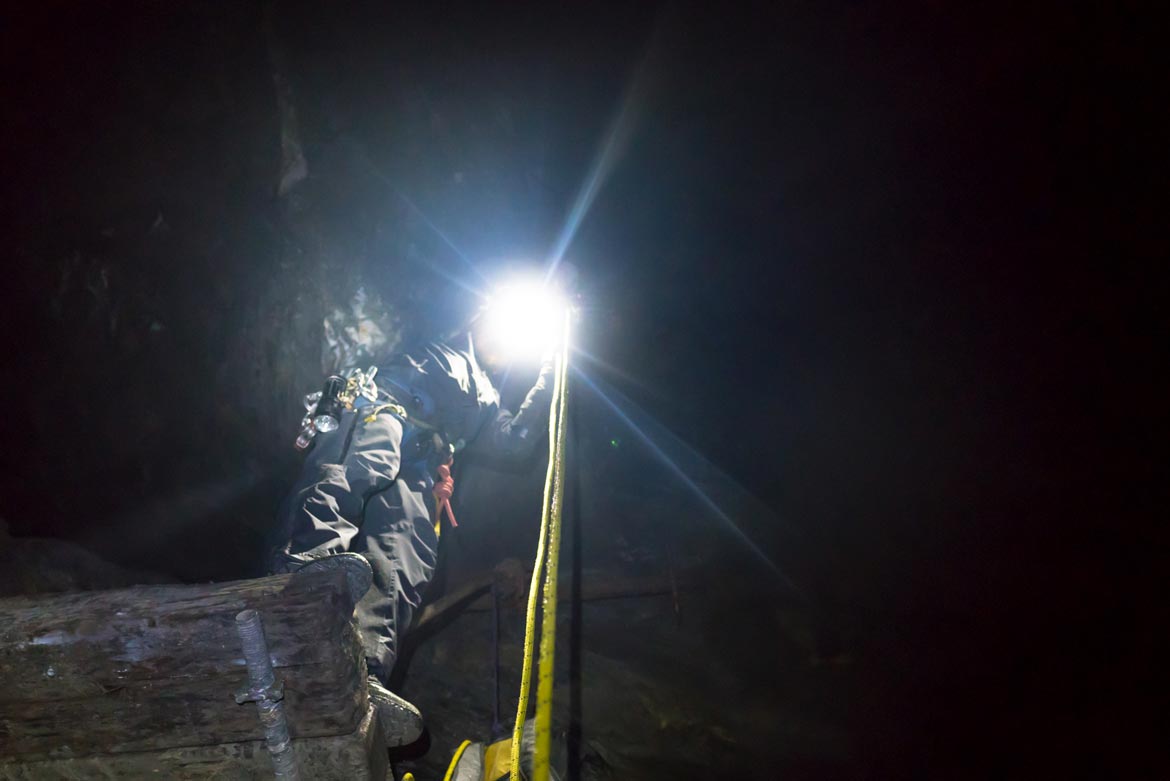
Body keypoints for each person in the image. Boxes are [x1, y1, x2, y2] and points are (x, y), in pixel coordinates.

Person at [268, 318, 555, 745]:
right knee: (350, 477)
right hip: (384, 408)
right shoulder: (433, 342)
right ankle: (297, 595)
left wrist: (551, 369)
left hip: (425, 464)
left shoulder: (489, 399)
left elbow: (516, 440)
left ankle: (366, 670)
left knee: (407, 552)